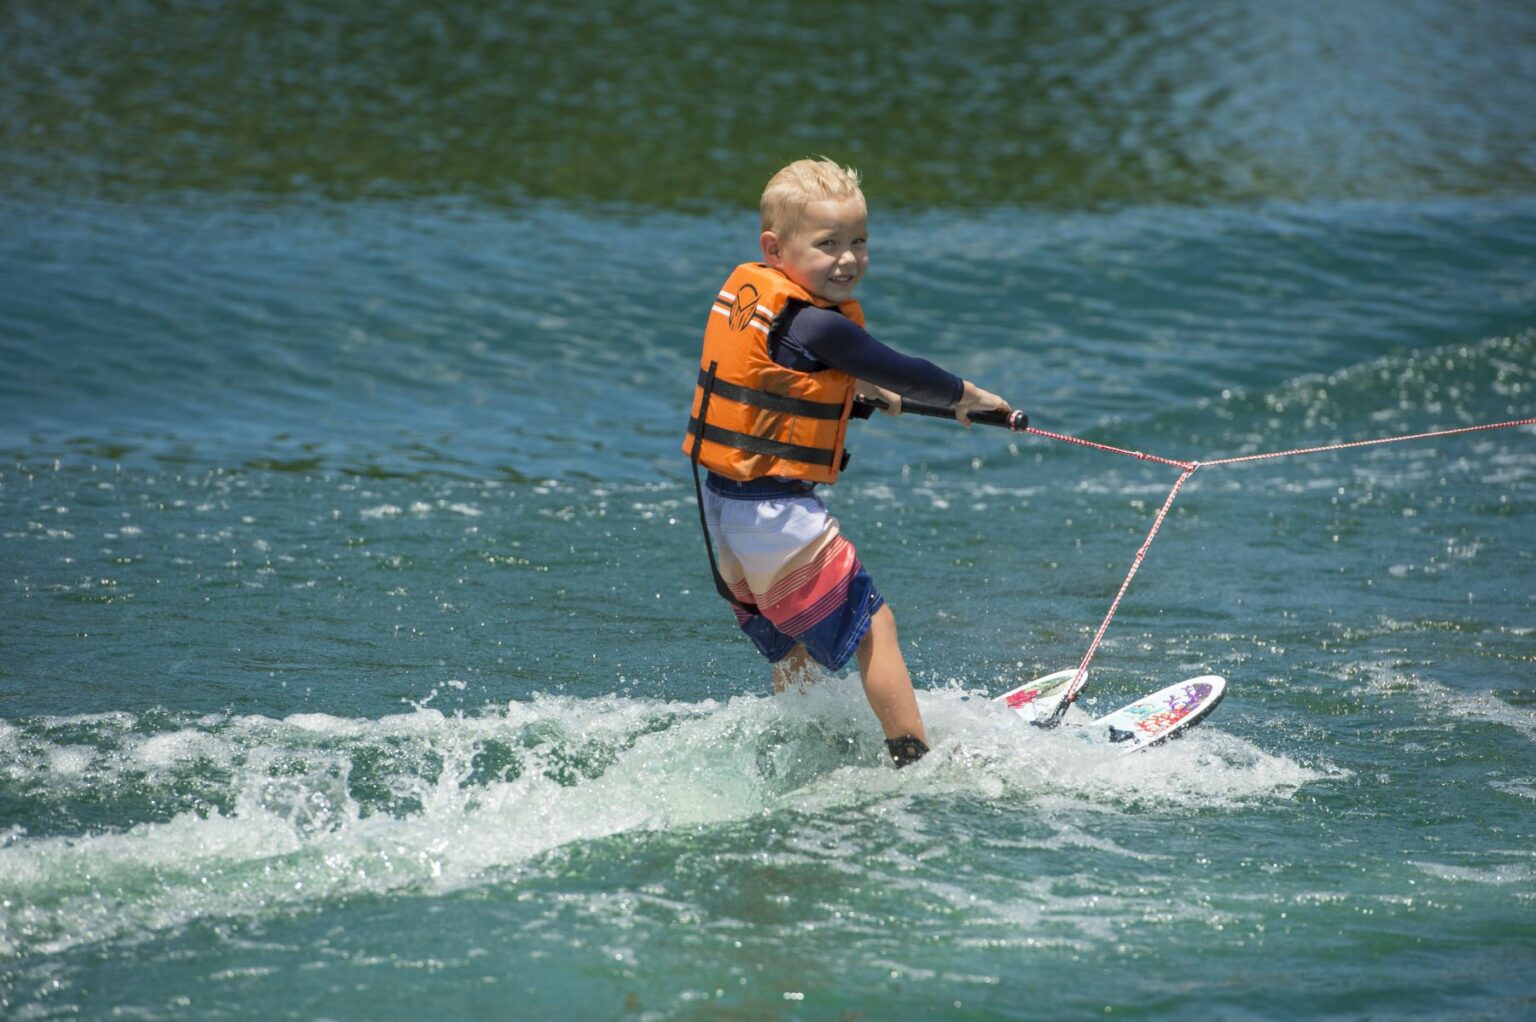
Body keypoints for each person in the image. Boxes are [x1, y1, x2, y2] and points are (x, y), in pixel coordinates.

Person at [682, 157, 1012, 767]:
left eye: (859, 241)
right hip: (774, 515)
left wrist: (859, 392)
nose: (847, 259)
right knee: (873, 626)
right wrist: (969, 396)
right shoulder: (817, 323)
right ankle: (915, 762)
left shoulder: (766, 306)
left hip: (722, 512)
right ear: (775, 248)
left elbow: (793, 377)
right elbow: (900, 369)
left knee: (790, 646)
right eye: (827, 244)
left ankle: (806, 744)